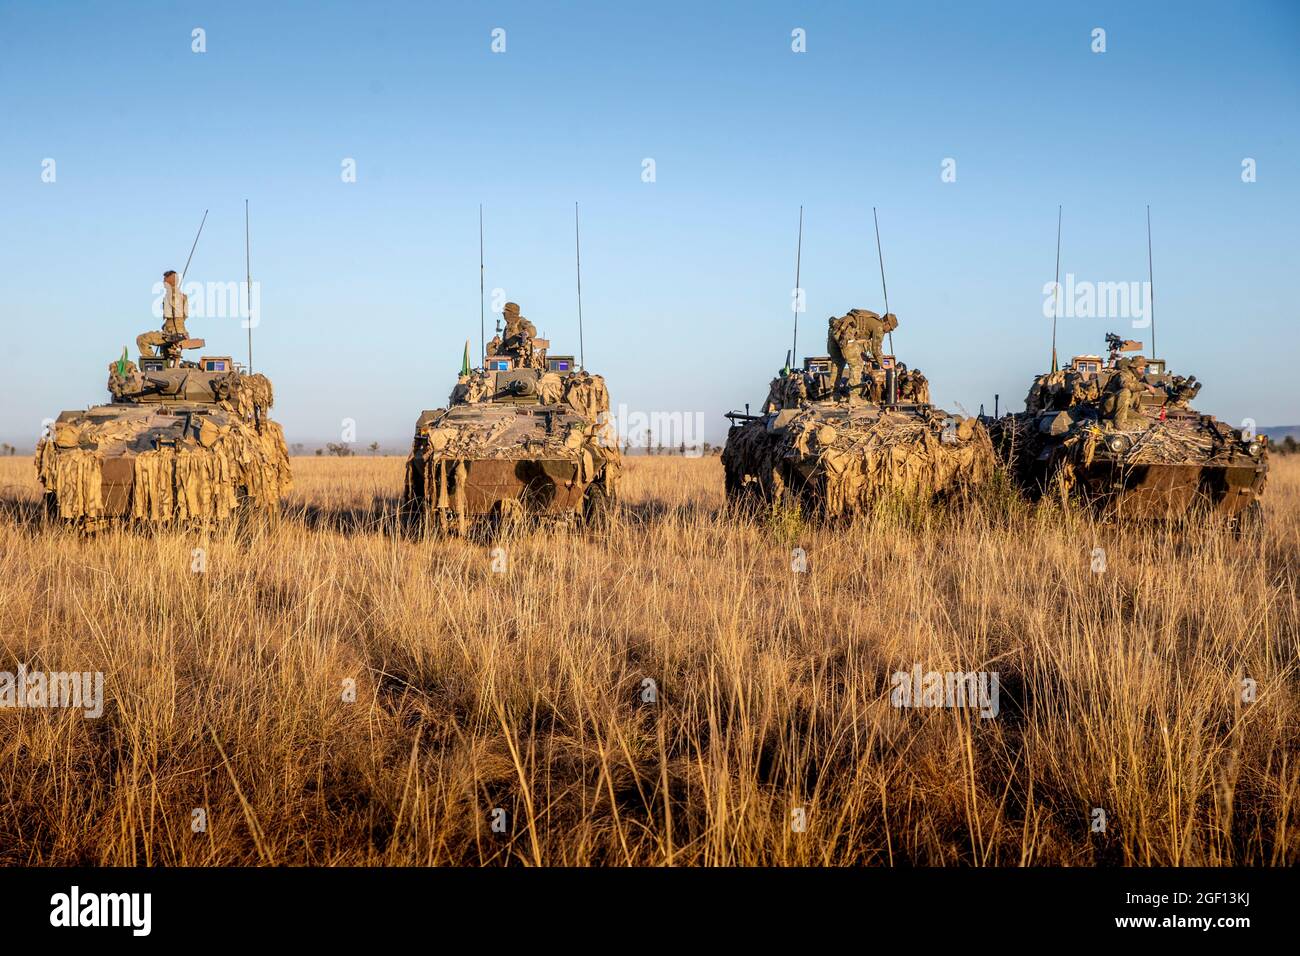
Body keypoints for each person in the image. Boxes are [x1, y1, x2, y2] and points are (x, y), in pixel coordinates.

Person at [137, 270, 190, 359]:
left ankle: (151, 361)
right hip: (180, 332)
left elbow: (175, 312)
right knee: (166, 353)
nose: (163, 282)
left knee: (141, 339)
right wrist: (167, 324)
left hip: (172, 334)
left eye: (165, 280)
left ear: (169, 281)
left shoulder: (172, 294)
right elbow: (184, 316)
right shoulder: (183, 296)